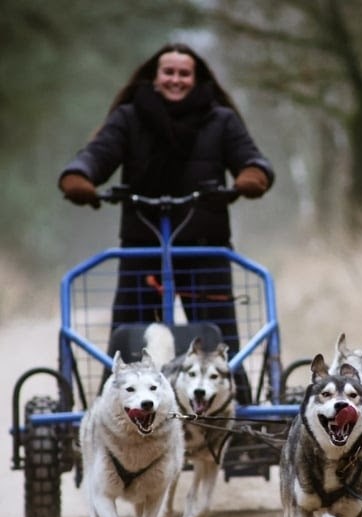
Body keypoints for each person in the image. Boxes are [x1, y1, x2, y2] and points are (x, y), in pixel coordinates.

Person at [57, 43, 274, 402]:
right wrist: (80, 177)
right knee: (127, 337)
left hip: (205, 247)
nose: (176, 79)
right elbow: (97, 154)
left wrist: (250, 177)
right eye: (168, 72)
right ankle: (112, 411)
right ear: (155, 78)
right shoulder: (129, 117)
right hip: (142, 247)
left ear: (196, 77)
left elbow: (251, 159)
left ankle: (238, 418)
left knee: (220, 341)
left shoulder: (221, 120)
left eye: (184, 73)